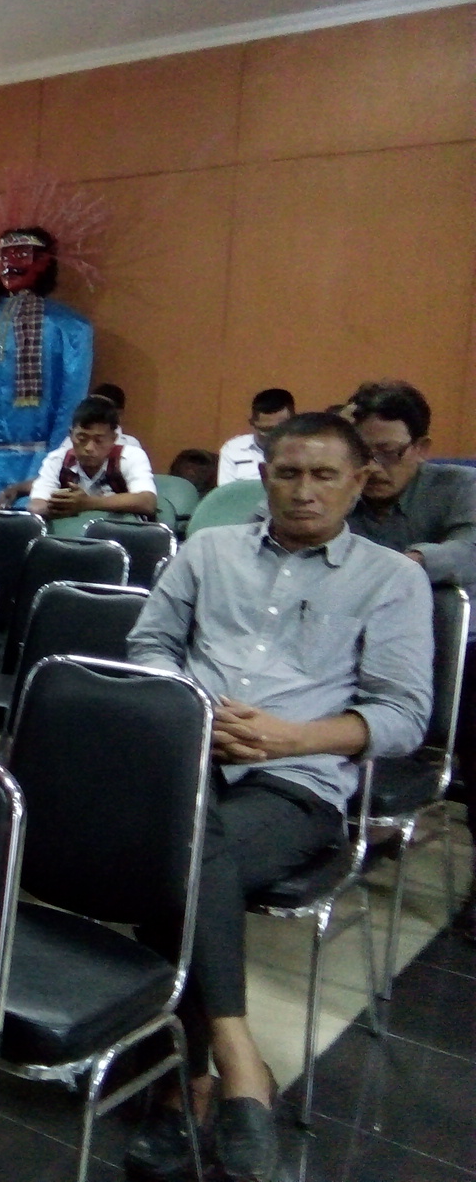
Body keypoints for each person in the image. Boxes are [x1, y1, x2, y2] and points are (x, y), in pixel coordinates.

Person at [126, 412, 433, 1182]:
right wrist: (199, 709)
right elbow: (149, 645)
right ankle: (236, 1060)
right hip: (190, 758)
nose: (304, 491)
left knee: (182, 856)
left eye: (324, 475)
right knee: (188, 840)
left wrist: (290, 738)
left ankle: (184, 1082)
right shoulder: (208, 550)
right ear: (264, 477)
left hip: (298, 781)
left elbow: (403, 716)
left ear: (359, 482)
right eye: (288, 473)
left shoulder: (392, 579)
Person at [345, 381, 476, 943]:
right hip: (355, 650)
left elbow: (471, 550)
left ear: (421, 448)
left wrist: (411, 563)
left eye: (390, 452)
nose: (374, 467)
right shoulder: (338, 484)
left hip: (456, 652)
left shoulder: (457, 488)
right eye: (363, 452)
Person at [0, 226, 93, 506]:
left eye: (22, 255)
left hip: (35, 466)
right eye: (4, 256)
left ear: (44, 262)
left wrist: (54, 465)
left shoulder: (69, 328)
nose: (9, 264)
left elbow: (71, 405)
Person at [0, 382, 142, 509]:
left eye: (102, 407)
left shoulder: (130, 448)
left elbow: (144, 498)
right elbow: (51, 477)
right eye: (91, 404)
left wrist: (87, 503)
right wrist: (19, 489)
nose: (89, 447)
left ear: (119, 414)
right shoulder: (68, 447)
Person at [28, 396, 157, 521]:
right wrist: (62, 505)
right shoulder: (57, 460)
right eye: (82, 439)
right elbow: (36, 506)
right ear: (71, 435)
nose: (89, 448)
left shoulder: (130, 457)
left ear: (113, 439)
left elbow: (147, 501)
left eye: (99, 440)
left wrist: (87, 503)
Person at [218, 389, 296, 486]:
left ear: (293, 421)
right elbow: (226, 492)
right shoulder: (233, 449)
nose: (273, 435)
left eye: (280, 429)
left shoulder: (305, 449)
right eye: (266, 430)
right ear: (252, 423)